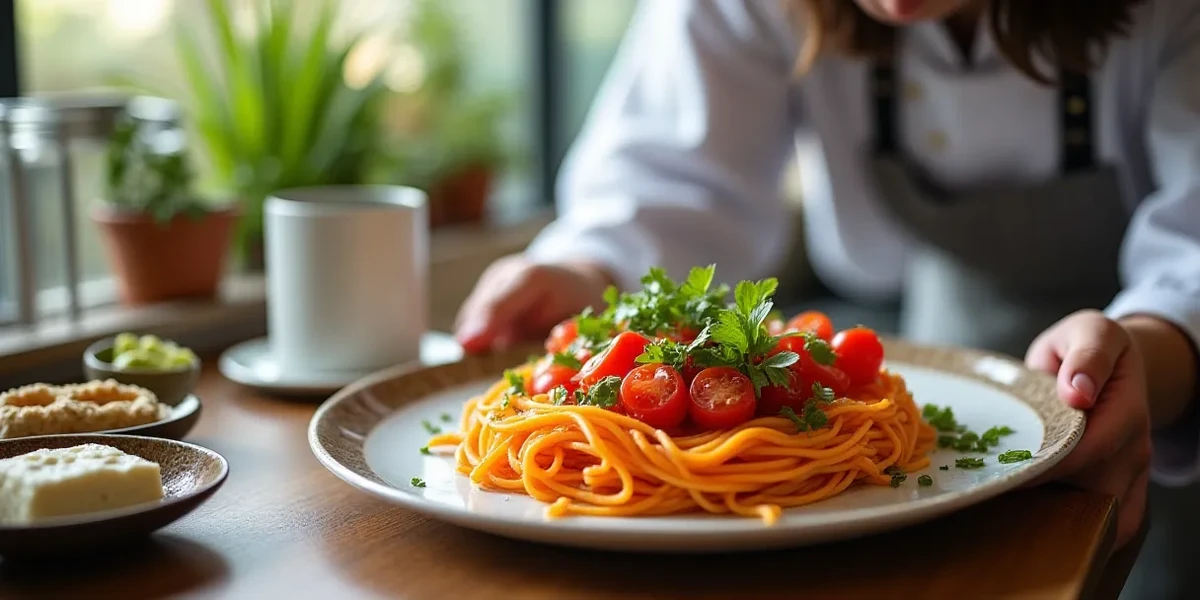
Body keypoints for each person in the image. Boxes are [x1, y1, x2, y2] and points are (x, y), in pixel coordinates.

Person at [455, 0, 1200, 585]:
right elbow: (675, 175)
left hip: (1151, 415)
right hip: (920, 408)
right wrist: (587, 270)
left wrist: (1155, 342)